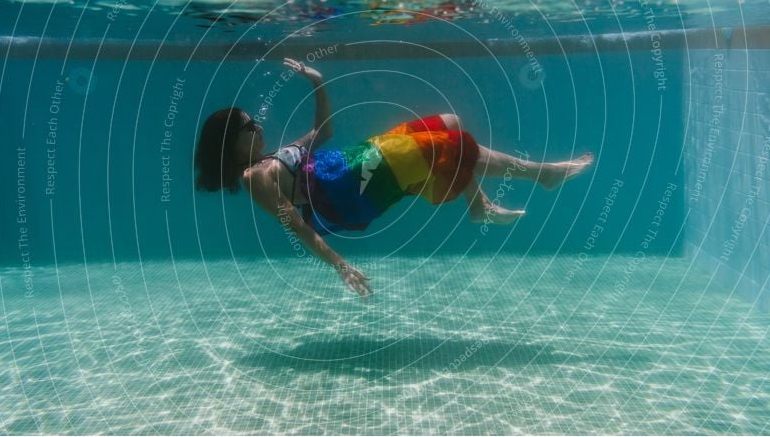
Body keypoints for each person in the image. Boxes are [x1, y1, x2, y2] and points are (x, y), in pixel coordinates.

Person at [195, 58, 594, 300]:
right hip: (351, 187)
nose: (259, 126)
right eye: (249, 126)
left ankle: (481, 204)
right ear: (231, 144)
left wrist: (317, 83)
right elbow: (295, 224)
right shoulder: (254, 177)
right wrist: (339, 264)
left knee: (449, 124)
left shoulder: (270, 159)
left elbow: (324, 133)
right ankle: (539, 177)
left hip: (357, 160)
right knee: (443, 145)